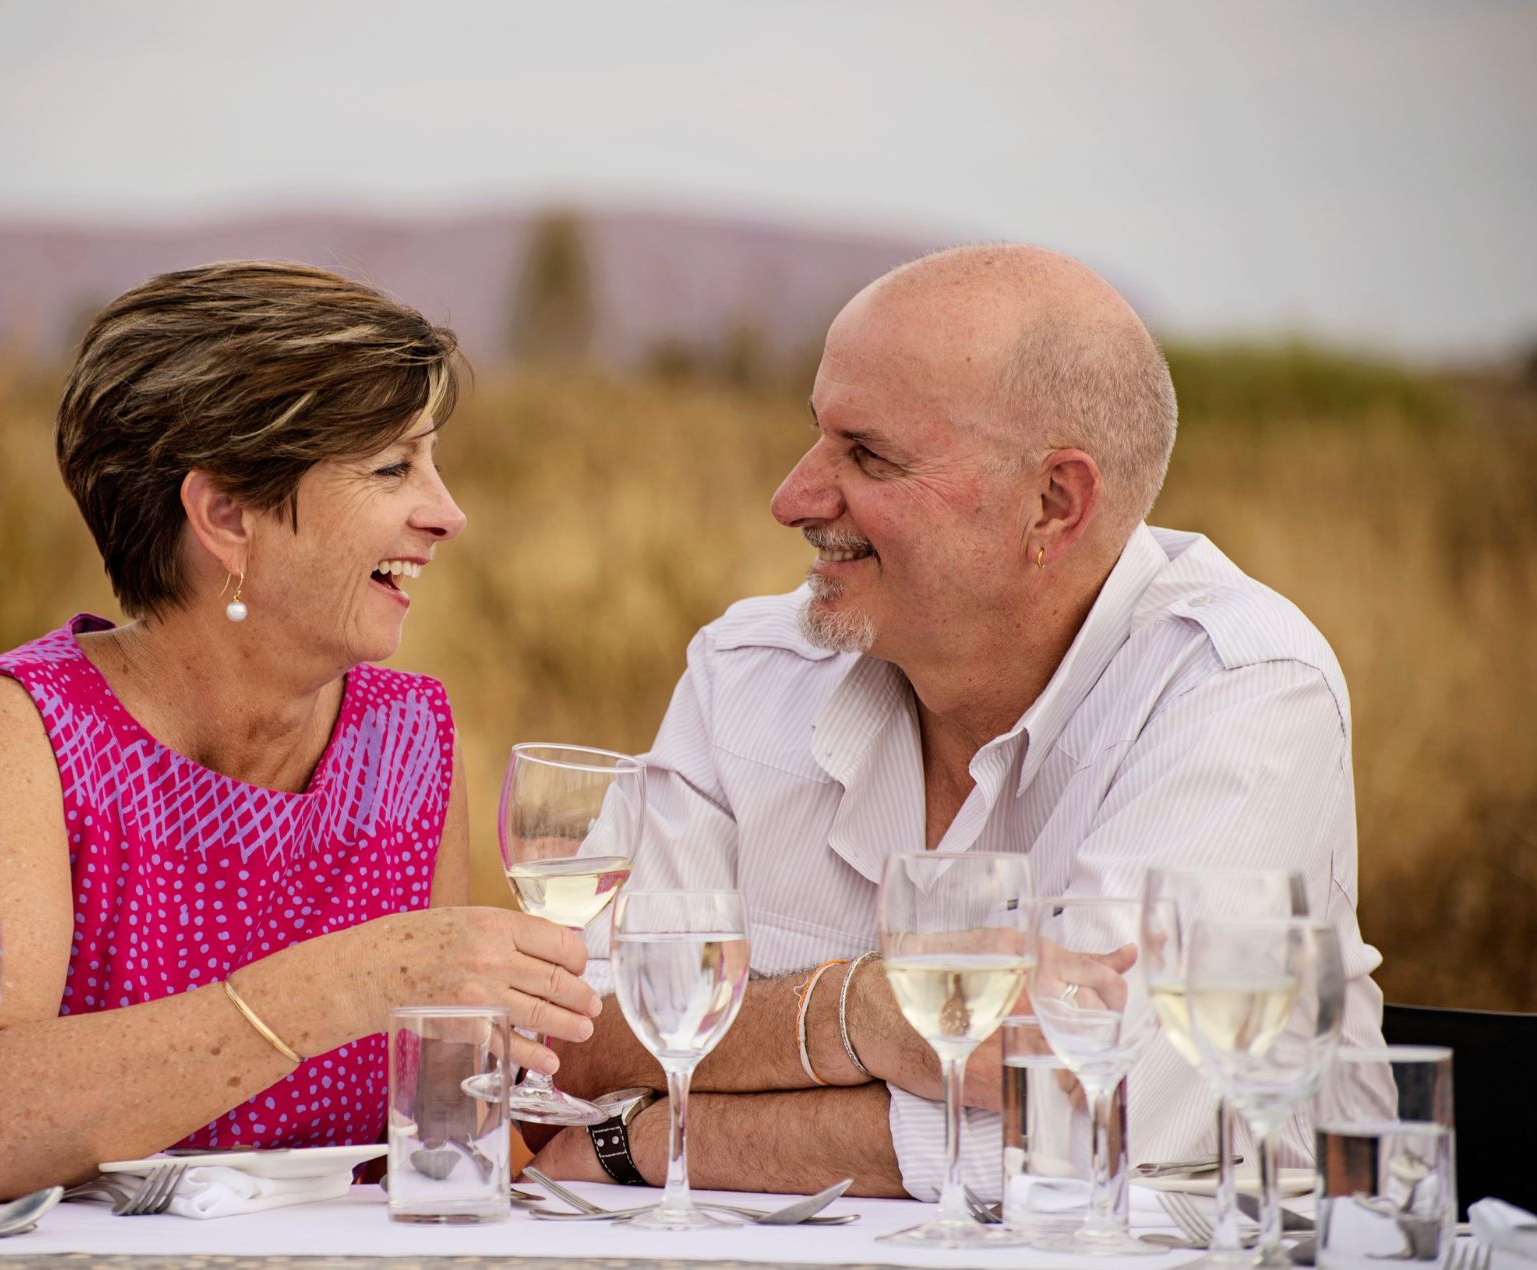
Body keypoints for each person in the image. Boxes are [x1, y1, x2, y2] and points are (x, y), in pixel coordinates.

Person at [528, 244, 1384, 1199]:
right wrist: (863, 1011)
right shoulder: (747, 671)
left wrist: (647, 1143)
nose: (793, 498)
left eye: (869, 456)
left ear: (1055, 504)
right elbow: (572, 1040)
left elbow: (1088, 1115)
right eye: (818, 435)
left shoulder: (1240, 688)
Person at [0, 262, 601, 1207]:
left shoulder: (408, 742)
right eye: (392, 468)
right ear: (225, 514)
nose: (448, 514)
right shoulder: (15, 732)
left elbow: (435, 1144)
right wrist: (352, 981)